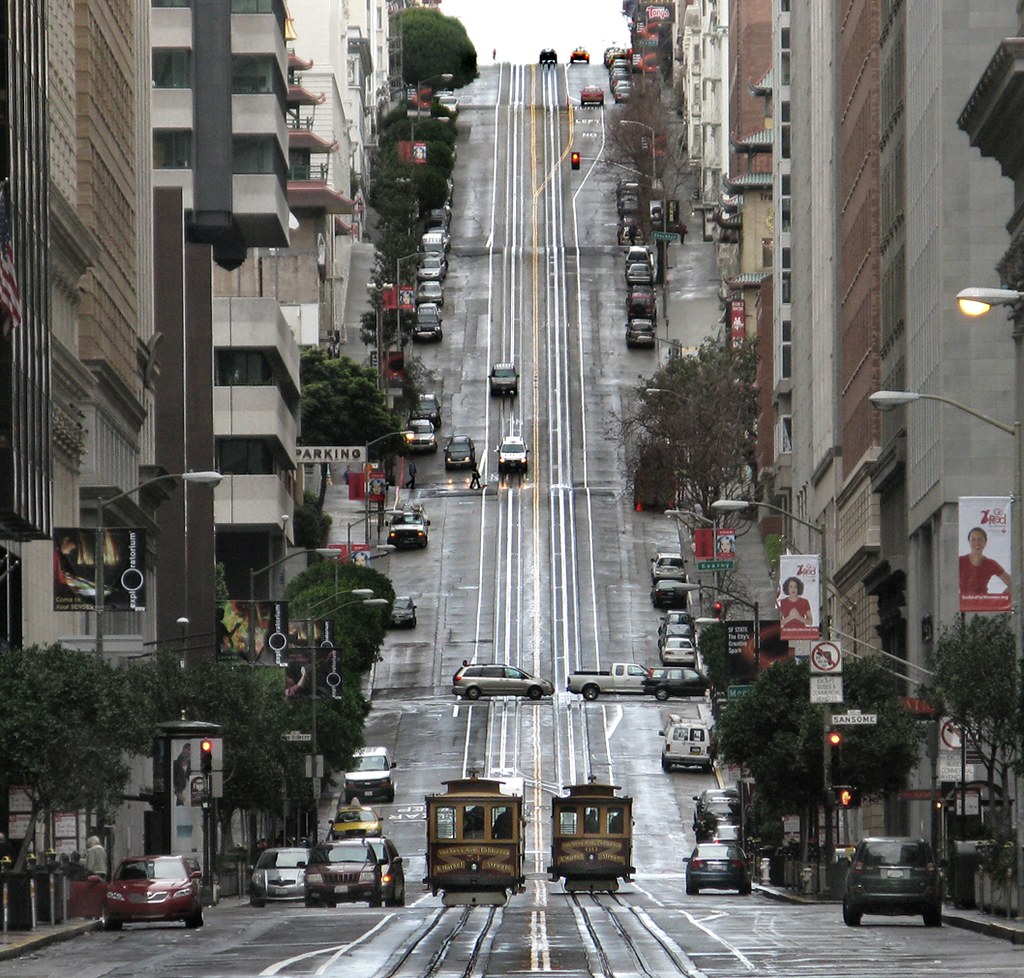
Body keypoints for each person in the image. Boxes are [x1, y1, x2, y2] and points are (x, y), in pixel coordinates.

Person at [959, 525, 1012, 595]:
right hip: (963, 604)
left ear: (985, 542)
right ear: (969, 542)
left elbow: (1013, 584)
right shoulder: (960, 561)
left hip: (983, 604)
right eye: (973, 539)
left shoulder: (991, 564)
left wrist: (1000, 600)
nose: (977, 543)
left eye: (980, 539)